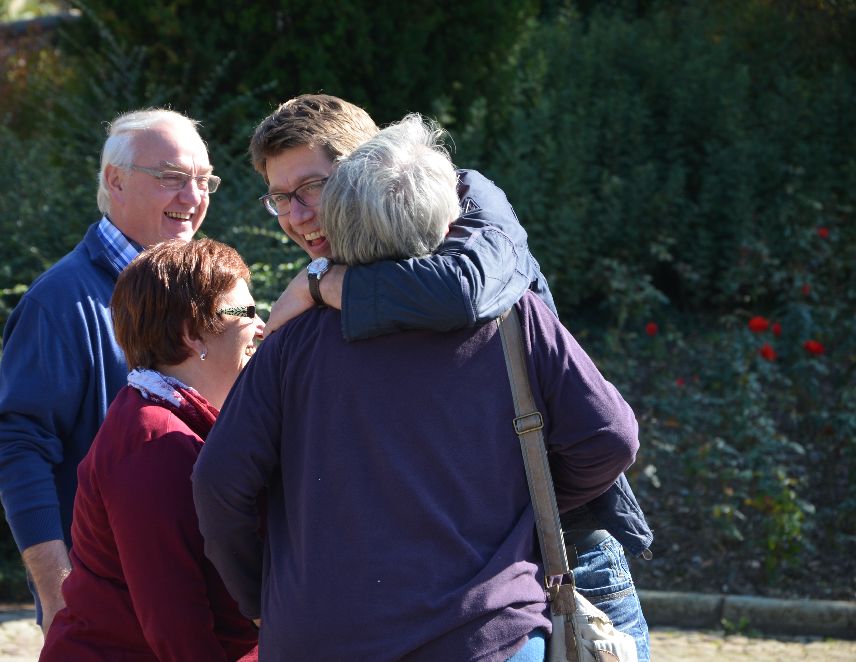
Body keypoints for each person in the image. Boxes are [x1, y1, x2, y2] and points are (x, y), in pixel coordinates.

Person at [193, 114, 641, 661]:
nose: (298, 214)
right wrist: (511, 512)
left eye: (312, 189)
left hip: (320, 638)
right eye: (281, 197)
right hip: (483, 635)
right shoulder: (512, 319)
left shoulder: (291, 340)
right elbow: (612, 437)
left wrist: (256, 595)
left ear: (352, 189)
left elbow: (218, 480)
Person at [0, 108, 218, 632]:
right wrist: (56, 592)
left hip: (189, 599)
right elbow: (20, 449)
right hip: (107, 610)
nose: (192, 197)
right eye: (172, 178)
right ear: (115, 180)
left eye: (203, 181)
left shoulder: (198, 296)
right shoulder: (61, 302)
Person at [40, 238, 261, 661]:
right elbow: (174, 620)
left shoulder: (173, 417)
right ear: (192, 332)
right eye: (244, 311)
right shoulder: (153, 442)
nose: (261, 324)